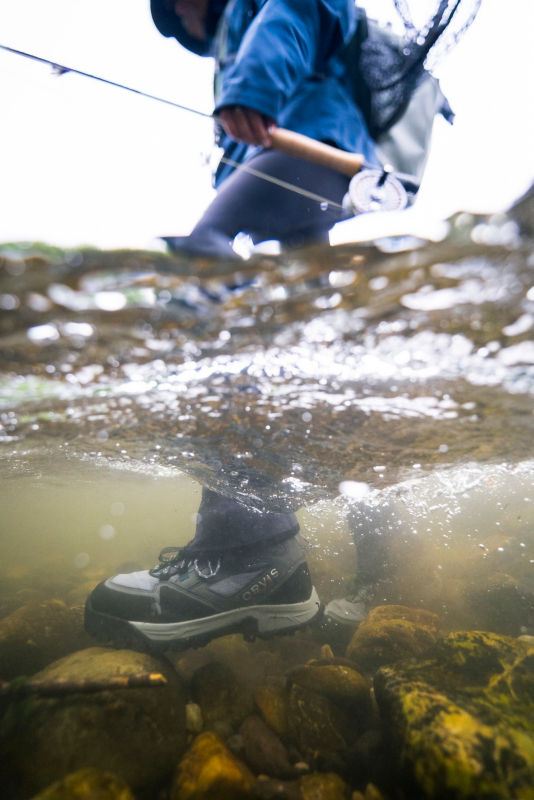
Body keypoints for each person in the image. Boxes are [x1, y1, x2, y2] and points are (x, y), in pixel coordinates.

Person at [84, 0, 377, 650]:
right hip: (320, 163)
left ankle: (247, 548)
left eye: (179, 13)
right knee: (307, 339)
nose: (186, 27)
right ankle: (303, 571)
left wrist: (250, 89)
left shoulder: (254, 9)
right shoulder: (235, 29)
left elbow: (296, 13)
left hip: (309, 149)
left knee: (205, 255)